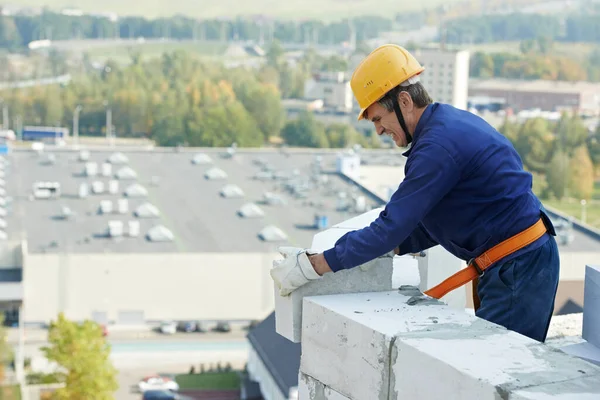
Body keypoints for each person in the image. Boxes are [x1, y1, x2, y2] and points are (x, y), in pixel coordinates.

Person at [270, 44, 560, 343]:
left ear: (404, 101)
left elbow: (392, 226)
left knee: (498, 369)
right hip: (515, 262)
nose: (379, 130)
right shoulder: (445, 126)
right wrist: (387, 246)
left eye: (378, 118)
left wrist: (312, 266)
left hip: (518, 266)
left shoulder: (437, 148)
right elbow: (445, 215)